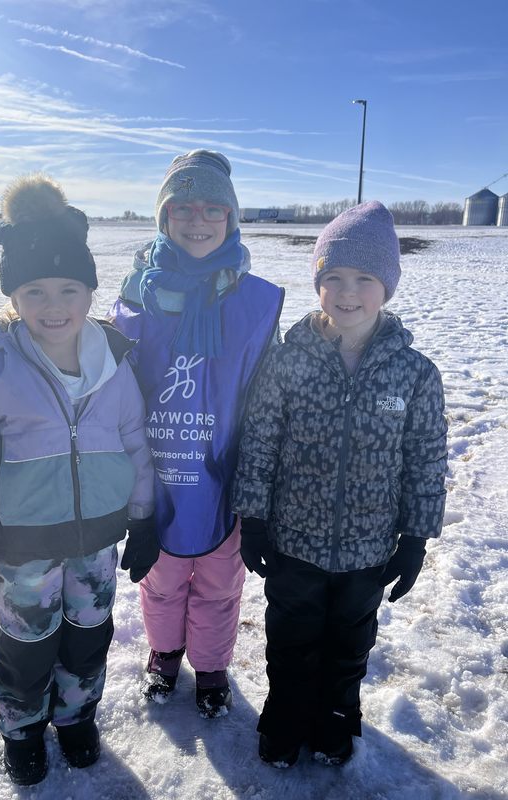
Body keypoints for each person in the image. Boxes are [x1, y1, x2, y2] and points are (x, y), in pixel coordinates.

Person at [0, 175, 157, 786]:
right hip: (25, 544)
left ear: (89, 292)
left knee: (89, 632)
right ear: (14, 296)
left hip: (97, 539)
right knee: (27, 642)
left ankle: (76, 716)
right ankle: (23, 725)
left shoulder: (114, 359)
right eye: (35, 291)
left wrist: (143, 516)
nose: (53, 305)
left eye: (68, 289)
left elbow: (134, 439)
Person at [232, 200, 447, 767]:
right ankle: (285, 714)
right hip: (293, 543)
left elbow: (426, 456)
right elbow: (260, 440)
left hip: (368, 549)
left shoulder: (415, 373)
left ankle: (334, 715)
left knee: (350, 643)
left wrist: (415, 538)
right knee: (291, 638)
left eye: (364, 279)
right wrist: (252, 520)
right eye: (333, 278)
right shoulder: (287, 362)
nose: (347, 292)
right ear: (318, 283)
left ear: (388, 286)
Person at [111, 150, 284, 718]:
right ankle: (163, 654)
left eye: (213, 207)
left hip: (225, 480)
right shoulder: (135, 296)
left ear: (232, 219)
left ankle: (211, 664)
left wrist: (260, 492)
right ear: (163, 218)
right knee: (160, 582)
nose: (198, 219)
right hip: (157, 476)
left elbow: (266, 397)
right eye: (182, 207)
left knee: (217, 584)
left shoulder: (256, 302)